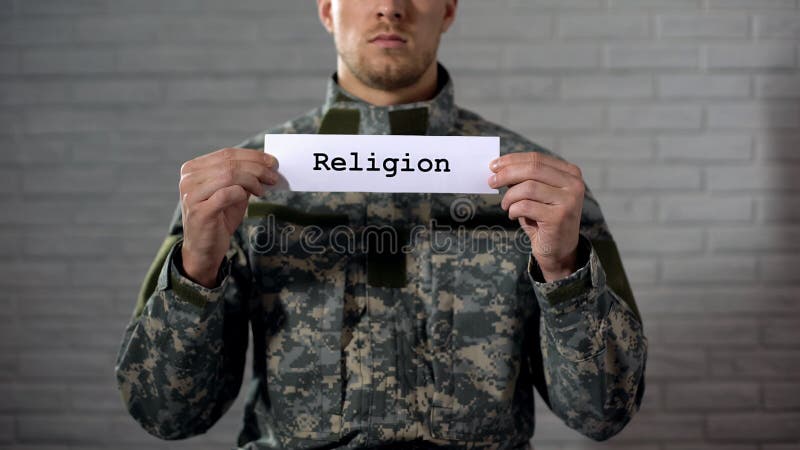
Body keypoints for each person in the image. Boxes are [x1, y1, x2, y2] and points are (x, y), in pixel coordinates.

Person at [115, 1, 648, 449]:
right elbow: (166, 413)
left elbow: (603, 413)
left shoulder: (537, 189)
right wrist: (196, 270)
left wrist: (563, 270)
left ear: (448, 9)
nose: (390, 6)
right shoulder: (242, 188)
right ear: (327, 8)